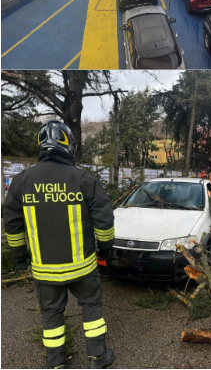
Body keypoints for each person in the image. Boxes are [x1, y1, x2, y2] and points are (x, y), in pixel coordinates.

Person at [2, 121, 117, 369]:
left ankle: (56, 363)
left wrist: (20, 256)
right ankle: (98, 357)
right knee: (91, 309)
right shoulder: (84, 179)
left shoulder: (22, 181)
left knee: (51, 316)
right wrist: (106, 248)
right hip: (83, 269)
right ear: (69, 146)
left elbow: (12, 224)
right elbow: (104, 220)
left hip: (45, 271)